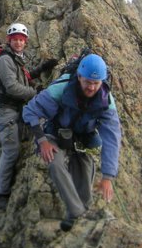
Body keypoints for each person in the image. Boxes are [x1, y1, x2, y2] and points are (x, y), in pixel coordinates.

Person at [22, 53, 122, 231]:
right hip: (55, 132)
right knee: (54, 162)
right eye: (87, 82)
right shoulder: (61, 89)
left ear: (102, 82)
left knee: (84, 165)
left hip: (82, 137)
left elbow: (112, 139)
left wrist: (108, 176)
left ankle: (80, 210)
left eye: (96, 83)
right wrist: (43, 141)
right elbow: (29, 111)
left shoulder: (106, 102)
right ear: (79, 77)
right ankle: (77, 212)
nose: (91, 88)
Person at [0, 23, 56, 209]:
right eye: (15, 39)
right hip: (6, 111)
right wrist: (35, 92)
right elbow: (12, 87)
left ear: (25, 42)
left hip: (16, 108)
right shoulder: (5, 60)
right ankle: (0, 194)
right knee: (11, 151)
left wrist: (43, 68)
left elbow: (24, 77)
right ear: (9, 40)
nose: (19, 42)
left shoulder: (16, 58)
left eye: (21, 39)